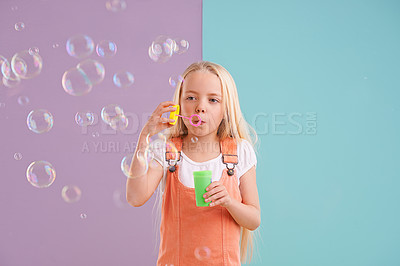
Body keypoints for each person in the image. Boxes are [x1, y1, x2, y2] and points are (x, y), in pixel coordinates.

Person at [126, 61, 260, 265]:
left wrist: (229, 202)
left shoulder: (239, 152)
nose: (200, 107)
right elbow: (135, 197)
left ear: (226, 108)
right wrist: (144, 138)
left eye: (213, 100)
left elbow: (253, 219)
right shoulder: (166, 151)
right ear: (178, 103)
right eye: (191, 97)